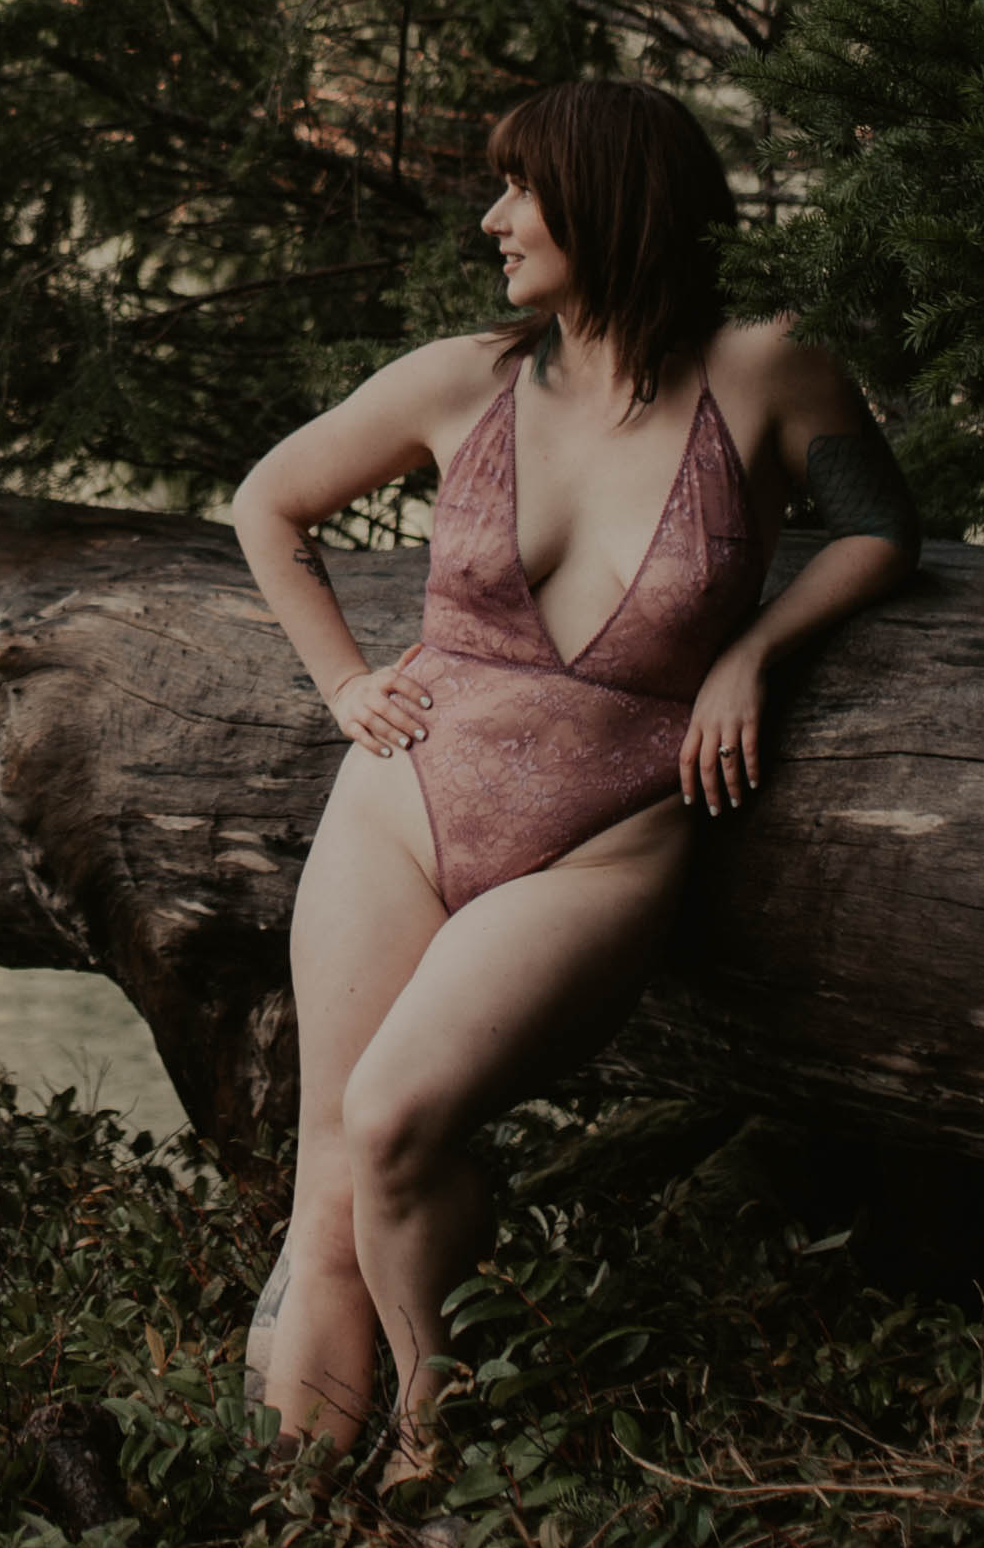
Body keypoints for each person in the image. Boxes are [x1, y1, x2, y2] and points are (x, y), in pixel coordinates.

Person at [226, 78, 918, 1472]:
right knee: (328, 1176)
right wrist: (346, 682)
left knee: (394, 1120)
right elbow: (268, 502)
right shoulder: (462, 380)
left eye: (520, 190)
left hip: (603, 839)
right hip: (401, 808)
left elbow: (880, 530)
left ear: (609, 200)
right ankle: (290, 1516)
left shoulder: (769, 369)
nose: (494, 219)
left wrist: (754, 651)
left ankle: (433, 1451)